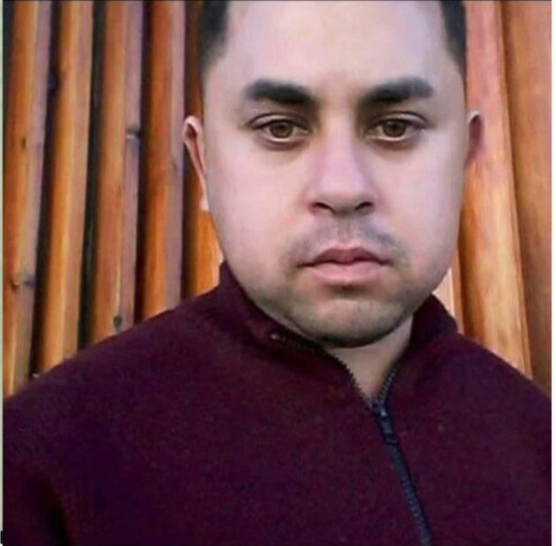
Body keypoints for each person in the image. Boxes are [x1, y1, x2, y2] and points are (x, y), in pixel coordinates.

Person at [4, 2, 550, 545]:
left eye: (395, 126)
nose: (342, 188)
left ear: (464, 156)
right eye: (280, 128)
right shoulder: (40, 470)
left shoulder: (538, 445)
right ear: (204, 162)